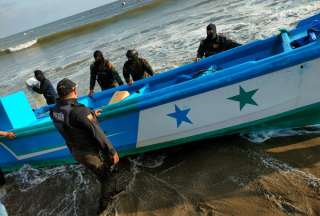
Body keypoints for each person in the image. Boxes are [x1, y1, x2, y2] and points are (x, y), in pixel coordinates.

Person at [50, 78, 120, 214]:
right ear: (74, 91)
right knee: (107, 178)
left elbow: (71, 121)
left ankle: (112, 191)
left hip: (75, 151)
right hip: (88, 153)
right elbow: (97, 133)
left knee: (101, 173)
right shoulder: (80, 111)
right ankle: (104, 208)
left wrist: (91, 114)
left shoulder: (54, 111)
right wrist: (111, 151)